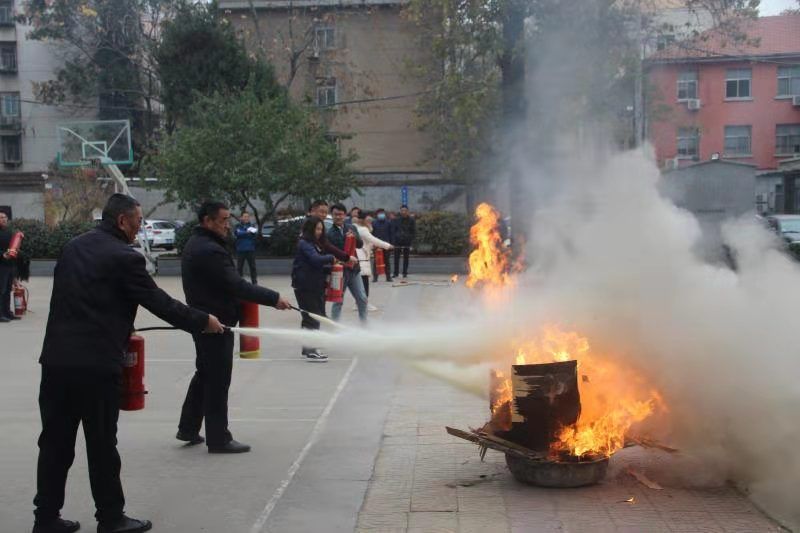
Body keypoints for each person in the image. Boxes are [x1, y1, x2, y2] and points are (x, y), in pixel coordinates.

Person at [33, 194, 225, 533]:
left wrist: (119, 321)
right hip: (96, 366)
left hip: (57, 361)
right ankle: (110, 518)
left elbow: (82, 296)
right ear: (122, 221)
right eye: (137, 222)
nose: (139, 230)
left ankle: (46, 518)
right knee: (102, 445)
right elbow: (160, 303)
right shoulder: (125, 257)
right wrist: (203, 321)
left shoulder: (74, 247)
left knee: (54, 443)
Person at [178, 201, 291, 454]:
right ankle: (219, 438)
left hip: (204, 319)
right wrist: (274, 298)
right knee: (217, 380)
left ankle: (188, 428)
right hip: (215, 323)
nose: (228, 225)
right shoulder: (209, 250)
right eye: (223, 220)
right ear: (208, 221)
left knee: (204, 374)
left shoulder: (198, 243)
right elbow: (237, 285)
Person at [292, 217, 335, 362]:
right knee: (313, 317)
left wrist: (330, 267)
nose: (319, 232)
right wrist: (331, 258)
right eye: (317, 229)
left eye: (321, 229)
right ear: (310, 229)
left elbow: (315, 264)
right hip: (305, 286)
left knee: (309, 318)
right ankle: (311, 351)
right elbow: (315, 259)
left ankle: (308, 348)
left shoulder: (313, 244)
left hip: (313, 285)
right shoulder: (304, 243)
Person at [327, 204, 367, 323]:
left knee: (362, 298)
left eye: (340, 214)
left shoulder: (352, 228)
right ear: (332, 216)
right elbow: (329, 252)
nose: (338, 217)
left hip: (354, 270)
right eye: (335, 214)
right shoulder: (329, 233)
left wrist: (354, 236)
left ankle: (364, 324)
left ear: (345, 215)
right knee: (338, 301)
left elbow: (360, 245)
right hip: (338, 272)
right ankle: (335, 325)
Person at [352, 209, 393, 310]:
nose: (370, 221)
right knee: (364, 284)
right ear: (363, 219)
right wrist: (388, 246)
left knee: (360, 284)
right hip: (362, 260)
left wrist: (371, 245)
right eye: (368, 219)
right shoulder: (362, 230)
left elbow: (368, 241)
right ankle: (364, 304)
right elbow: (374, 240)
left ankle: (358, 303)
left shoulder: (356, 228)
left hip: (359, 258)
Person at [0, 211, 19, 321]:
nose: (3, 219)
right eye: (1, 217)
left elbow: (13, 247)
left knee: (7, 290)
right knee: (1, 290)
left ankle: (7, 312)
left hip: (9, 265)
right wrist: (2, 254)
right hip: (1, 265)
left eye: (5, 217)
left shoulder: (9, 232)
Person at [370, 208, 394, 283]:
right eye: (380, 213)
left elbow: (391, 234)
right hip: (376, 245)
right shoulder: (374, 223)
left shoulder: (388, 223)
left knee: (387, 261)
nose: (381, 215)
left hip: (386, 245)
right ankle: (375, 277)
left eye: (382, 213)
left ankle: (388, 277)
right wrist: (372, 244)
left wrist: (391, 244)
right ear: (377, 214)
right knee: (376, 261)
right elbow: (371, 234)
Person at [392, 205, 416, 279]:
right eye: (402, 210)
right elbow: (394, 230)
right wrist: (394, 239)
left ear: (408, 211)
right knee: (396, 258)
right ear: (400, 211)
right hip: (397, 241)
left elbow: (413, 231)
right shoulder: (396, 220)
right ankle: (395, 273)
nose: (403, 212)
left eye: (405, 210)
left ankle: (405, 273)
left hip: (407, 241)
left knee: (406, 258)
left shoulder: (411, 220)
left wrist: (411, 240)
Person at [234, 211, 258, 284]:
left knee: (253, 267)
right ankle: (239, 282)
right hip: (240, 249)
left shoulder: (252, 226)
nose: (246, 218)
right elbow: (238, 233)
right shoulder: (238, 226)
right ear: (241, 217)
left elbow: (254, 235)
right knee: (239, 267)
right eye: (245, 216)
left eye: (247, 216)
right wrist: (247, 232)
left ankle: (254, 282)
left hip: (250, 249)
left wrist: (243, 233)